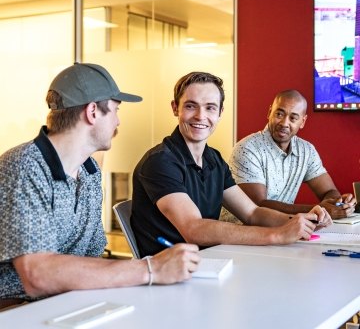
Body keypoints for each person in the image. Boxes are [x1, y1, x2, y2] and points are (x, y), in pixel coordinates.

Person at [0, 63, 201, 309]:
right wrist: (150, 269)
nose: (118, 121)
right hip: (17, 310)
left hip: (68, 302)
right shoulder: (23, 167)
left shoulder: (89, 173)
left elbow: (91, 255)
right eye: (115, 110)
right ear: (93, 111)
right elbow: (36, 275)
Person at [130, 72, 332, 257]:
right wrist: (277, 235)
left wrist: (302, 221)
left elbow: (252, 213)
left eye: (210, 107)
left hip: (208, 262)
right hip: (165, 274)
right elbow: (194, 229)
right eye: (191, 106)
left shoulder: (213, 159)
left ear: (220, 112)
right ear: (175, 108)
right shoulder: (159, 162)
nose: (201, 116)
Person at [226, 89, 356, 222]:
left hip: (282, 229)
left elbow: (328, 191)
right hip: (239, 233)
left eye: (293, 118)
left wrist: (337, 203)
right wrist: (318, 209)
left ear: (303, 121)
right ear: (269, 112)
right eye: (279, 114)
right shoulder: (247, 149)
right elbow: (258, 205)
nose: (284, 123)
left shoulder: (306, 150)